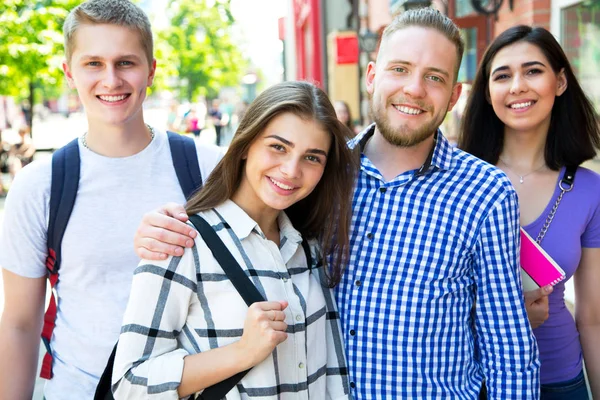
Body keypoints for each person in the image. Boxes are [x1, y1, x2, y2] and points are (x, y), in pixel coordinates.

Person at [132, 8, 540, 398]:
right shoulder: (317, 174)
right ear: (371, 76)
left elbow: (508, 347)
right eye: (400, 69)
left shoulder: (486, 192)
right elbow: (247, 216)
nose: (414, 88)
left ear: (453, 96)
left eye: (434, 77)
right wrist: (163, 226)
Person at [0, 1, 222, 398]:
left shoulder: (208, 168)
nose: (111, 79)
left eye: (125, 63)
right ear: (69, 73)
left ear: (151, 70)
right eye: (93, 64)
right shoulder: (40, 186)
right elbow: (19, 323)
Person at [111, 81, 356, 398]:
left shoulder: (309, 248)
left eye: (312, 158)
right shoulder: (181, 241)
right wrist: (242, 352)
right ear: (245, 146)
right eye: (278, 147)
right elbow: (130, 384)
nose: (291, 170)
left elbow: (330, 377)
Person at [459, 25, 600, 399]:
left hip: (561, 380)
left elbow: (592, 317)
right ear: (488, 94)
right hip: (473, 380)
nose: (517, 86)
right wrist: (510, 319)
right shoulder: (457, 180)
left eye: (533, 71)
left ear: (560, 82)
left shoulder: (589, 190)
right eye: (502, 76)